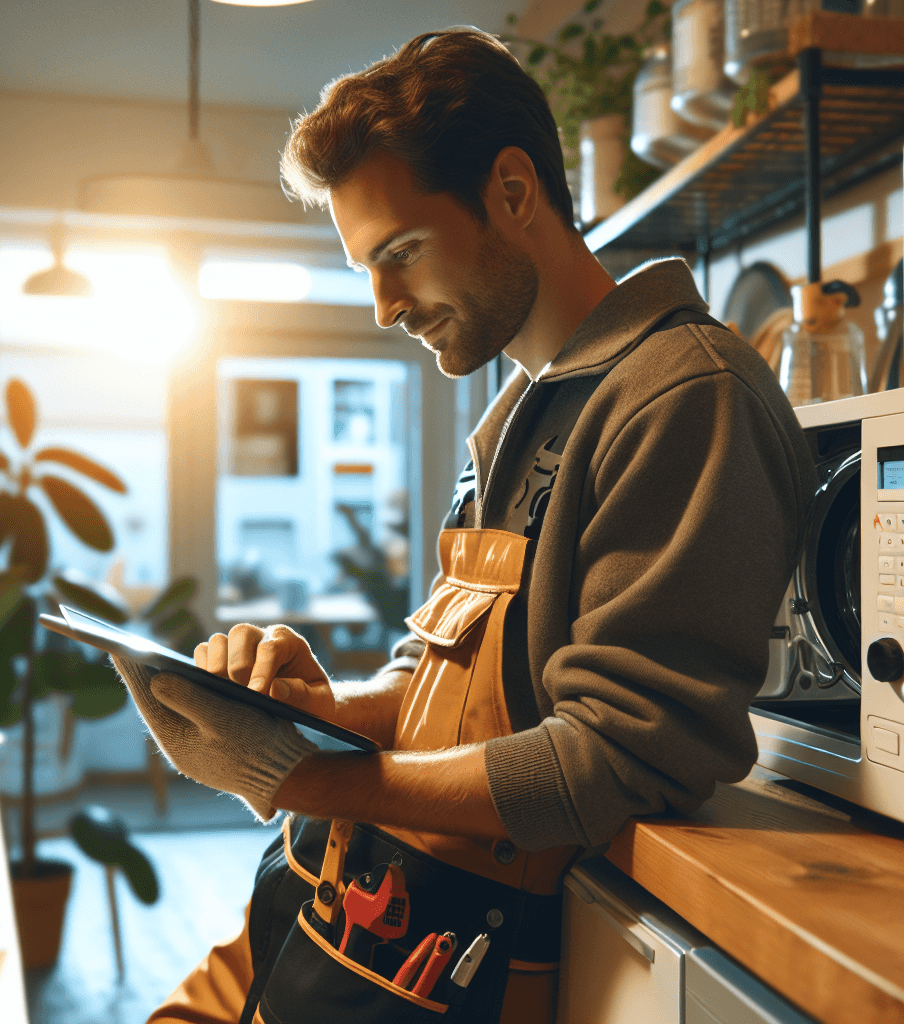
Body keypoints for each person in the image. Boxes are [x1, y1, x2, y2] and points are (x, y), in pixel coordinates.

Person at [114, 26, 814, 1024]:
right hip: (310, 915)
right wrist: (313, 710)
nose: (384, 306)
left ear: (513, 192)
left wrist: (309, 776)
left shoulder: (681, 395)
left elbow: (615, 756)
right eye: (365, 266)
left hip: (439, 966)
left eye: (399, 253)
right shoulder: (511, 422)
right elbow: (431, 687)